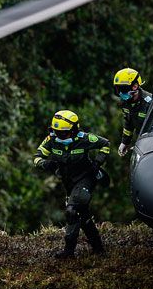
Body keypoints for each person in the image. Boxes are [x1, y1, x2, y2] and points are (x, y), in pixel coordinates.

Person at [33, 110, 110, 258]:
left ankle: (69, 251)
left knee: (72, 210)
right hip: (68, 181)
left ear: (74, 129)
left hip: (86, 178)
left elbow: (105, 144)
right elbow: (37, 157)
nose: (60, 136)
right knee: (82, 215)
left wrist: (98, 162)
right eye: (57, 132)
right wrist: (45, 164)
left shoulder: (85, 138)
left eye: (63, 133)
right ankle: (99, 249)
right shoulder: (51, 139)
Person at [113, 68, 152, 157]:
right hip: (141, 142)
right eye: (118, 89)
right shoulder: (125, 102)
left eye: (122, 89)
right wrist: (125, 142)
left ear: (134, 86)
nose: (120, 93)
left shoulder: (149, 102)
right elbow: (129, 123)